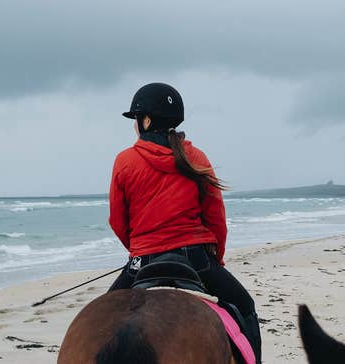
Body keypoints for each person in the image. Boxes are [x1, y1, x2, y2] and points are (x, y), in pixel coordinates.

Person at [107, 83, 261, 361]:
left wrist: (139, 249)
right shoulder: (196, 157)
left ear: (146, 120)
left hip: (143, 258)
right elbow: (216, 218)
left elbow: (117, 220)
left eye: (136, 120)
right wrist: (217, 259)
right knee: (244, 307)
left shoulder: (125, 161)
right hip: (195, 259)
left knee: (102, 318)